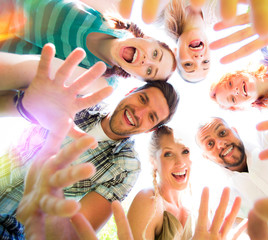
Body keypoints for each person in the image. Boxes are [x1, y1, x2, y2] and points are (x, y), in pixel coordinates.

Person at [0, 44, 179, 239]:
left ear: (150, 129)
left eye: (151, 117)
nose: (139, 112)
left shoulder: (127, 167)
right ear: (132, 91)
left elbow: (74, 232)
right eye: (143, 99)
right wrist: (24, 105)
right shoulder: (79, 98)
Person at [0, 0, 176, 91]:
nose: (147, 61)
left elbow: (35, 71)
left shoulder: (103, 81)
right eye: (155, 54)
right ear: (149, 38)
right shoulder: (111, 12)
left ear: (136, 77)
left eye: (149, 71)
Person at [126, 125, 242, 239]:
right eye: (168, 154)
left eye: (185, 152)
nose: (180, 163)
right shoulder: (148, 202)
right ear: (153, 162)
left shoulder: (197, 204)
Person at [157, 0, 216, 82]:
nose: (198, 58)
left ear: (174, 53)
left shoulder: (158, 15)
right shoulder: (220, 12)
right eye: (205, 62)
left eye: (188, 64)